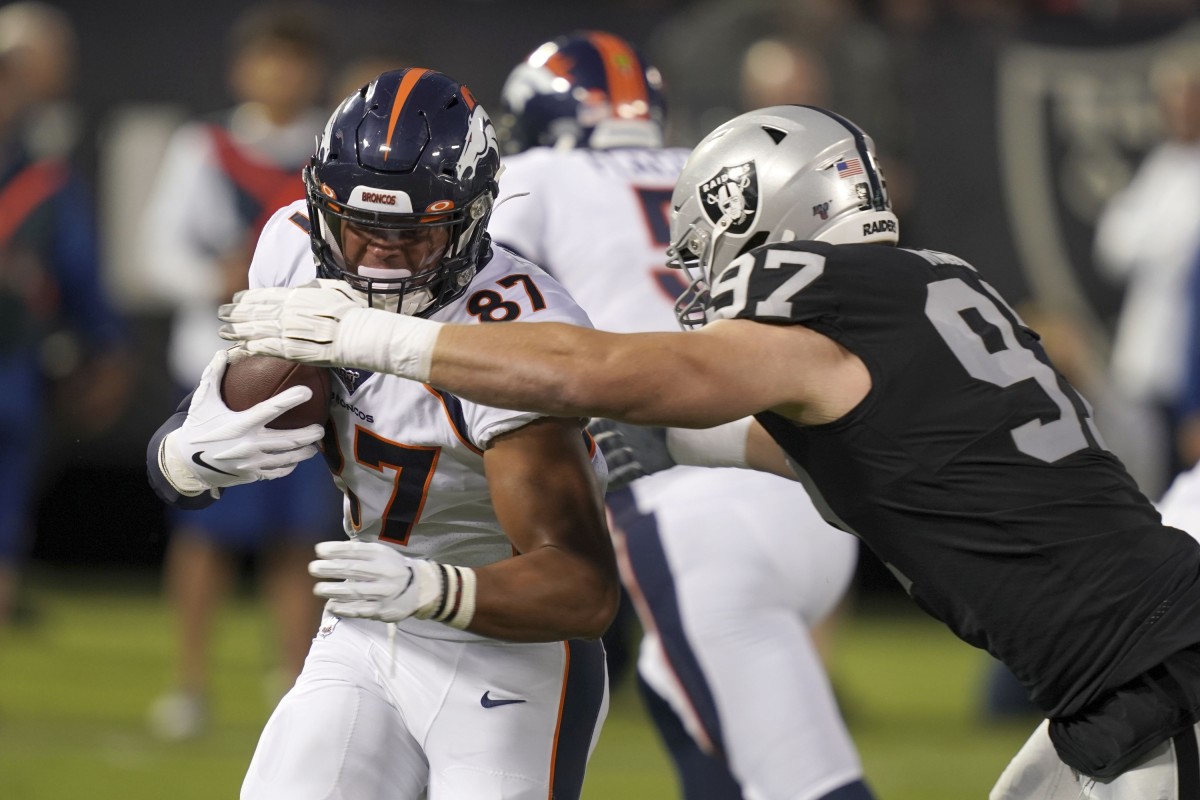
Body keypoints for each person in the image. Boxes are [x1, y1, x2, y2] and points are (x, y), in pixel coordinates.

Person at [222, 103, 1200, 798]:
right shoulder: (926, 291)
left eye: (703, 244)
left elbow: (594, 368)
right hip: (1139, 665)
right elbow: (857, 456)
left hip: (1155, 680)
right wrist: (665, 440)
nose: (695, 272)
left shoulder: (823, 300)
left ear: (768, 217)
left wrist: (369, 337)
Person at [148, 67, 618, 799]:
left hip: (506, 654)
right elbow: (204, 423)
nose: (378, 258)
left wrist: (433, 586)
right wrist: (180, 459)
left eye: (413, 235)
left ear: (472, 219)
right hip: (364, 628)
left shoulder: (518, 331)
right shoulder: (292, 246)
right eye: (361, 227)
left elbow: (582, 588)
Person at [489, 32, 867, 800]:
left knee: (802, 784)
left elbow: (474, 307)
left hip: (687, 499)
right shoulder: (711, 160)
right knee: (674, 687)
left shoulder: (533, 177)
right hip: (808, 481)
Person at [139, 2, 341, 740]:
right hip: (215, 366)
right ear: (243, 68)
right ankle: (189, 683)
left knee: (303, 539)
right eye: (269, 59)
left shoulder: (330, 149)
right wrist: (211, 276)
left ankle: (296, 684)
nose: (281, 74)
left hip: (311, 366)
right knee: (205, 535)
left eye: (295, 60)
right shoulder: (205, 145)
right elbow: (157, 251)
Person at [0, 1, 129, 626]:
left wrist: (106, 350)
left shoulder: (45, 176)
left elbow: (79, 274)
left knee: (6, 497)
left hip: (12, 360)